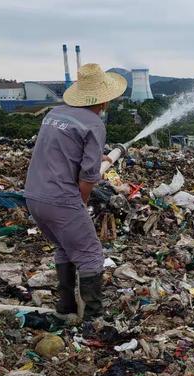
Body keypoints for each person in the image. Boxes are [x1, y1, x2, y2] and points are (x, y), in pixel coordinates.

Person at [24, 63, 127, 334]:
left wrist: (99, 155)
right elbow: (89, 174)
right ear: (103, 99)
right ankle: (93, 320)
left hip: (34, 195)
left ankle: (66, 309)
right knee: (91, 255)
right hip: (61, 198)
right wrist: (80, 203)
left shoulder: (55, 114)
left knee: (65, 248)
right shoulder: (94, 123)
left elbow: (63, 150)